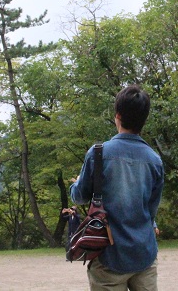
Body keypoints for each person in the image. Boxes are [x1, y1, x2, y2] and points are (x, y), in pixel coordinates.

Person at [70, 84, 164, 291]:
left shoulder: (98, 153)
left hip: (109, 255)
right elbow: (151, 210)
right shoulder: (154, 160)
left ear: (118, 116)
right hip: (144, 254)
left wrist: (76, 183)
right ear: (144, 119)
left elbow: (79, 197)